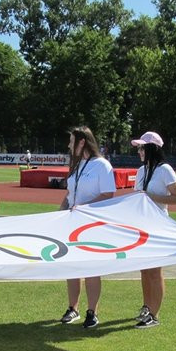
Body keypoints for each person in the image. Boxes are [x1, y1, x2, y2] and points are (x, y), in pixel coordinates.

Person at [57, 126, 116, 328]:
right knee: (71, 267)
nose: (69, 145)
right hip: (71, 223)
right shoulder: (77, 165)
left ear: (82, 142)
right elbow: (69, 194)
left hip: (91, 226)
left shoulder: (102, 165)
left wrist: (84, 207)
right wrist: (60, 211)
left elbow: (108, 194)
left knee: (91, 268)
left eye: (72, 141)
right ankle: (73, 308)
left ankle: (92, 311)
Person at [130, 131, 176, 329]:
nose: (139, 151)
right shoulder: (141, 171)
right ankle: (146, 307)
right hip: (142, 226)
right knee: (144, 271)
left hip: (158, 227)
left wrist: (150, 196)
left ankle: (154, 314)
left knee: (155, 272)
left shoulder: (165, 170)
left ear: (152, 148)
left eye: (142, 147)